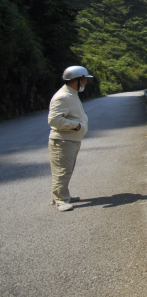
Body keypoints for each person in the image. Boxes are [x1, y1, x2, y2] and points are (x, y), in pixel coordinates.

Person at [48, 66, 92, 212]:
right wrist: (76, 126)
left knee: (67, 169)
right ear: (77, 80)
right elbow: (54, 120)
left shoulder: (71, 94)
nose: (86, 82)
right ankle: (61, 200)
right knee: (62, 170)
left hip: (71, 140)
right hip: (63, 141)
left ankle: (63, 194)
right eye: (84, 79)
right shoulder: (63, 97)